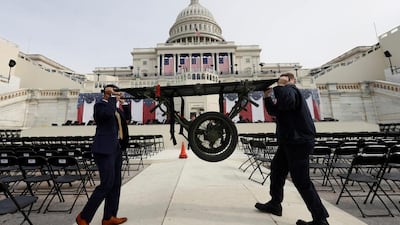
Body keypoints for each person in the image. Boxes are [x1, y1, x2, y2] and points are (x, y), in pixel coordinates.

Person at [255, 73, 329, 225]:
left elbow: (287, 100)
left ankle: (320, 219)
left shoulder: (292, 91)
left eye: (284, 79)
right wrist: (268, 96)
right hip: (289, 141)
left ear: (291, 80)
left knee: (302, 181)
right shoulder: (286, 96)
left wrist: (283, 85)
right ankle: (275, 204)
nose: (280, 81)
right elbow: (274, 111)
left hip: (299, 142)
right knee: (277, 171)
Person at [76, 84, 128, 225]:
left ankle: (109, 217)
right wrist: (111, 98)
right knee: (106, 184)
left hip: (116, 148)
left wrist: (124, 104)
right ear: (106, 92)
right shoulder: (100, 105)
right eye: (113, 91)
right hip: (104, 149)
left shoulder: (115, 107)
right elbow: (105, 116)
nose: (116, 93)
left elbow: (126, 119)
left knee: (116, 184)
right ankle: (84, 217)